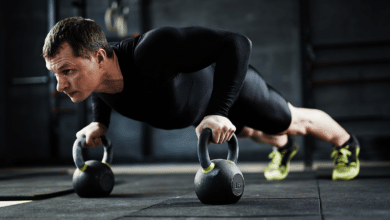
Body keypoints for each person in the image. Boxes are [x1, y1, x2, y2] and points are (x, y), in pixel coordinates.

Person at [43, 17, 360, 181]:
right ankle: (283, 147)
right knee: (249, 132)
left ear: (99, 57)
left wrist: (220, 110)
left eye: (67, 71)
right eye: (56, 74)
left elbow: (236, 43)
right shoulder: (96, 79)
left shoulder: (151, 51)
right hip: (200, 110)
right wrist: (100, 123)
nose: (60, 85)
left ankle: (346, 144)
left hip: (232, 90)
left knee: (290, 121)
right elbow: (103, 92)